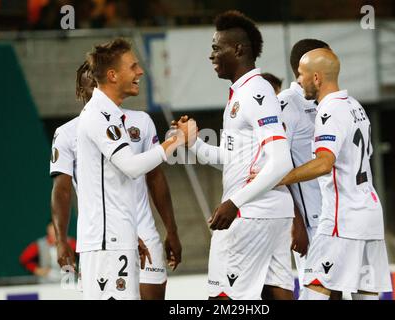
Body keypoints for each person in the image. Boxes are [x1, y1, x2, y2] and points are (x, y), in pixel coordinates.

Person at [177, 10, 295, 300]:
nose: (211, 55)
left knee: (223, 299)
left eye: (217, 48)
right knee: (275, 293)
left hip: (249, 213)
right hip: (271, 212)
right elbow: (235, 163)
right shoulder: (243, 93)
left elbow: (281, 161)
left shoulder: (255, 91)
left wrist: (234, 202)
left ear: (239, 49)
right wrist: (196, 144)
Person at [51, 59, 182, 300]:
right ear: (80, 91)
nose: (97, 91)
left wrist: (171, 230)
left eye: (100, 84)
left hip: (143, 231)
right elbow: (62, 191)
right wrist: (61, 240)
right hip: (102, 238)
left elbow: (155, 178)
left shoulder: (140, 122)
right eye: (91, 86)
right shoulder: (68, 133)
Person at [278, 48, 392, 300]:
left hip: (342, 218)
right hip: (370, 215)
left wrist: (279, 178)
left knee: (314, 292)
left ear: (316, 78)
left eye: (301, 74)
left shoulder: (329, 112)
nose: (299, 81)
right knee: (366, 295)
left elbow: (324, 163)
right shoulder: (355, 106)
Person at [278, 39, 344, 300]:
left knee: (336, 293)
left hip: (334, 217)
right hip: (310, 223)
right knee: (319, 294)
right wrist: (296, 224)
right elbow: (276, 168)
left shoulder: (325, 102)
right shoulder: (286, 104)